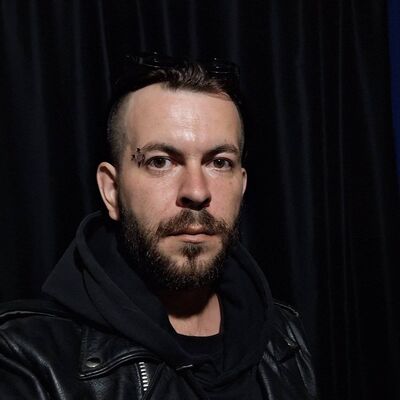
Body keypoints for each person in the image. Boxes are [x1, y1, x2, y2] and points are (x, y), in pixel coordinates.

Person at [0, 54, 317, 399]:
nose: (197, 191)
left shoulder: (284, 338)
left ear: (241, 186)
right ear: (112, 190)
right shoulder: (26, 355)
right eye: (161, 161)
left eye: (219, 162)